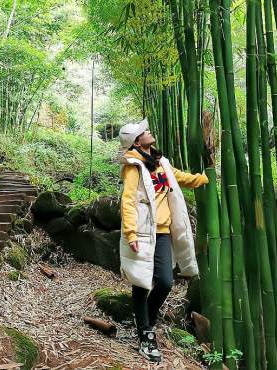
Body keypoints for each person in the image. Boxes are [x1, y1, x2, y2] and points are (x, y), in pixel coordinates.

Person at [118, 118, 208, 363]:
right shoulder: (133, 166)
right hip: (144, 230)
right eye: (144, 132)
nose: (149, 132)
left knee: (166, 281)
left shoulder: (161, 162)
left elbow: (179, 177)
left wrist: (203, 177)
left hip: (164, 230)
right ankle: (146, 335)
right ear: (137, 142)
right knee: (141, 281)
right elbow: (127, 201)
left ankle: (145, 317)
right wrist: (131, 233)